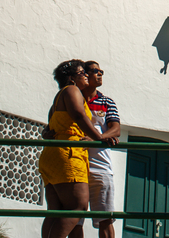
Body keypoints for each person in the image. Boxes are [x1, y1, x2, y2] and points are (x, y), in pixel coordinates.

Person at [38, 60, 112, 238]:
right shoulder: (72, 90)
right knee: (77, 206)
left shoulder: (58, 98)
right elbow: (79, 115)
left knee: (55, 210)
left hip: (52, 155)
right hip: (69, 154)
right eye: (82, 73)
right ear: (71, 78)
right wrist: (99, 136)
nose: (86, 75)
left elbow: (49, 128)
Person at [69, 61, 121, 238]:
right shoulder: (73, 98)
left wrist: (96, 138)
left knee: (105, 219)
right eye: (95, 71)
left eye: (101, 71)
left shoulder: (107, 102)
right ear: (84, 74)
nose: (100, 74)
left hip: (100, 166)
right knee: (75, 219)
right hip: (76, 165)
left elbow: (116, 129)